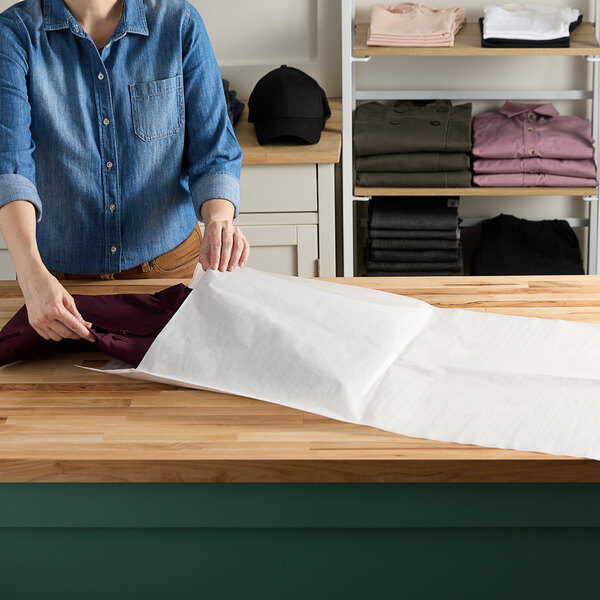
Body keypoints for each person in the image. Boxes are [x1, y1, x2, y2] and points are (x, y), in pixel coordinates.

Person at [0, 0, 248, 343]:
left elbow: (214, 150)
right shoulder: (14, 33)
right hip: (58, 284)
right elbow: (10, 168)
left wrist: (219, 220)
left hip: (173, 271)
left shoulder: (179, 23)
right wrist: (29, 273)